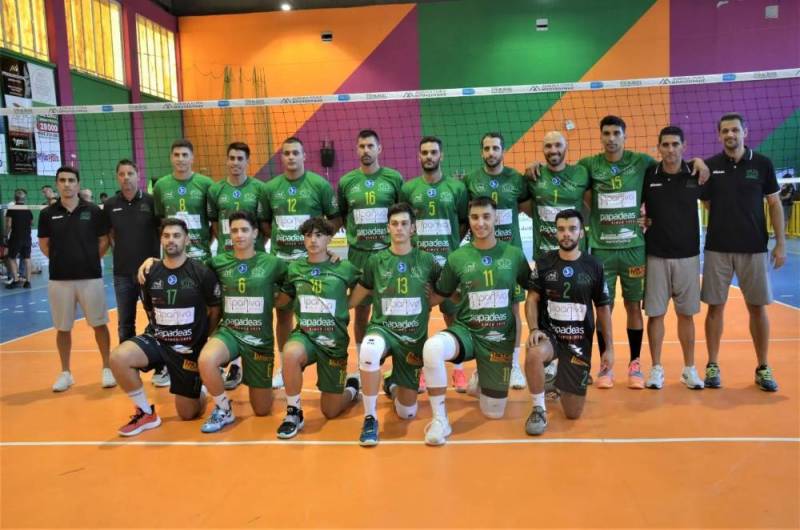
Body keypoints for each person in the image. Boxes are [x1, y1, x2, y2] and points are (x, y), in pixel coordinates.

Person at [421, 196, 534, 446]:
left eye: (486, 217)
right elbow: (441, 293)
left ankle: (481, 377)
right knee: (432, 348)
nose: (480, 223)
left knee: (494, 413)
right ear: (469, 220)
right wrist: (414, 293)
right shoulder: (457, 257)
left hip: (499, 341)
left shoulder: (514, 255)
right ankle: (440, 420)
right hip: (467, 332)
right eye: (474, 217)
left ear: (496, 218)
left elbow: (534, 289)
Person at [110, 218, 221, 436]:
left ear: (186, 240)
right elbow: (150, 310)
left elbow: (215, 310)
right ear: (161, 239)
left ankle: (199, 387)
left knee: (188, 413)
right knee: (118, 358)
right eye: (167, 236)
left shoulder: (201, 272)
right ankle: (145, 413)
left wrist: (202, 339)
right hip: (159, 339)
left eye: (177, 236)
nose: (171, 240)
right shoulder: (150, 272)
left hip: (188, 348)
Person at [701, 113, 785, 392]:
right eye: (725, 130)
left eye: (735, 130)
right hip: (718, 248)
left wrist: (780, 244)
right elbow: (707, 202)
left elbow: (774, 203)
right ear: (719, 135)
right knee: (715, 307)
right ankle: (712, 365)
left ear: (745, 132)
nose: (730, 135)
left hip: (754, 248)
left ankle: (763, 367)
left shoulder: (762, 163)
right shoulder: (711, 166)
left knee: (757, 308)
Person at [349, 203, 442, 446]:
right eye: (394, 224)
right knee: (368, 350)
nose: (399, 228)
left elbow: (448, 289)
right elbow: (360, 292)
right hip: (383, 329)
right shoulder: (376, 260)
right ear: (388, 228)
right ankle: (370, 418)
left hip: (413, 338)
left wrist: (432, 299)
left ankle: (392, 385)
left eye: (404, 224)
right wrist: (337, 308)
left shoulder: (427, 260)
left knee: (406, 412)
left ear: (413, 228)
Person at [261, 137, 341, 390]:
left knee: (316, 314)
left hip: (312, 265)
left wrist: (322, 245)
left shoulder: (320, 185)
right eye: (286, 153)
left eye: (296, 152)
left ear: (304, 156)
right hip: (282, 263)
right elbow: (265, 223)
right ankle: (285, 368)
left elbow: (335, 218)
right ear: (281, 157)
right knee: (283, 315)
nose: (291, 157)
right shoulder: (270, 188)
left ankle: (324, 363)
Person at [524, 209, 613, 435]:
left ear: (581, 233)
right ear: (555, 233)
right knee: (533, 353)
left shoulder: (594, 265)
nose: (566, 234)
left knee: (573, 412)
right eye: (561, 229)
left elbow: (603, 309)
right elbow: (532, 299)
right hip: (550, 336)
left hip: (578, 341)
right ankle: (538, 409)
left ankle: (555, 378)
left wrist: (609, 349)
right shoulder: (544, 262)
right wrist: (533, 329)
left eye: (572, 229)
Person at [274, 216, 361, 439]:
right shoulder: (294, 268)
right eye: (308, 235)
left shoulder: (344, 267)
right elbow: (284, 297)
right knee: (290, 353)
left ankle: (352, 388)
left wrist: (348, 303)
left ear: (329, 238)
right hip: (306, 336)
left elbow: (366, 285)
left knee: (331, 411)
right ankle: (293, 413)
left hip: (334, 342)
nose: (313, 240)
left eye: (319, 235)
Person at [464, 132, 532, 390]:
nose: (491, 152)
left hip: (509, 258)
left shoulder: (517, 179)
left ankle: (513, 365)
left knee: (513, 311)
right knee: (480, 313)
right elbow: (466, 218)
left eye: (495, 148)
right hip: (480, 257)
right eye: (487, 148)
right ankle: (481, 366)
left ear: (503, 151)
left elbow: (532, 210)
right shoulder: (471, 180)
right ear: (481, 152)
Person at [400, 136, 469, 391]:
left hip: (448, 264)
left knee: (453, 315)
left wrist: (450, 247)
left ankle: (458, 370)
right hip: (419, 266)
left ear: (441, 155)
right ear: (419, 156)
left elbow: (463, 222)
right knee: (417, 318)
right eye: (425, 152)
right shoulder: (409, 189)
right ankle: (418, 369)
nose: (429, 156)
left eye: (433, 152)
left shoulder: (456, 188)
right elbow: (405, 223)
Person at [38, 166, 115, 392]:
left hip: (90, 277)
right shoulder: (47, 213)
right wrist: (62, 260)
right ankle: (66, 373)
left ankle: (107, 368)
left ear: (78, 184)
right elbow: (44, 245)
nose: (67, 184)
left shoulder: (93, 210)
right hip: (59, 279)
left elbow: (104, 240)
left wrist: (89, 259)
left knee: (99, 324)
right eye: (62, 180)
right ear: (57, 184)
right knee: (62, 328)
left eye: (71, 180)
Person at [641, 127, 705, 390]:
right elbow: (635, 207)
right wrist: (640, 220)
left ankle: (689, 369)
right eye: (665, 145)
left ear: (684, 146)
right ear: (658, 147)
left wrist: (700, 162)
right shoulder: (649, 175)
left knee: (686, 315)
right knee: (655, 315)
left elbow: (715, 199)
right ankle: (656, 369)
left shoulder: (697, 173)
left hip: (688, 256)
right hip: (656, 255)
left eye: (675, 144)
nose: (670, 149)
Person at [337, 129, 403, 366]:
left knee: (393, 312)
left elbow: (402, 215)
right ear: (356, 150)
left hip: (388, 256)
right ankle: (363, 363)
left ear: (379, 149)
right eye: (362, 146)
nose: (366, 150)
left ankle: (396, 364)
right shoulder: (346, 182)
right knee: (361, 313)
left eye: (370, 146)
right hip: (358, 257)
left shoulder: (394, 178)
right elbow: (343, 215)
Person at [207, 141, 268, 390]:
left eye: (240, 158)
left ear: (247, 161)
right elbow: (214, 224)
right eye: (231, 158)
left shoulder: (259, 189)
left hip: (254, 263)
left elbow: (264, 225)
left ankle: (242, 364)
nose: (235, 162)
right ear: (226, 160)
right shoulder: (215, 190)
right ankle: (224, 359)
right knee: (223, 311)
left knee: (250, 314)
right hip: (226, 263)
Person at [103, 160, 166, 386]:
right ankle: (127, 366)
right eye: (122, 174)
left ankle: (161, 367)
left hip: (150, 273)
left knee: (157, 321)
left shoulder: (151, 202)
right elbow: (110, 234)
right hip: (122, 274)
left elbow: (162, 231)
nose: (126, 177)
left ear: (138, 175)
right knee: (125, 323)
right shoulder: (110, 205)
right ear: (117, 177)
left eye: (130, 173)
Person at [529, 132, 590, 258]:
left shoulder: (582, 173)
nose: (553, 150)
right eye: (548, 146)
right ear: (542, 149)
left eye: (558, 145)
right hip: (544, 254)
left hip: (576, 253)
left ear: (566, 146)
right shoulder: (533, 175)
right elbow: (527, 209)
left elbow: (594, 202)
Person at [152, 139, 214, 262]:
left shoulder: (207, 184)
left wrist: (205, 243)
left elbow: (215, 223)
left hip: (200, 256)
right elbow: (161, 221)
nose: (180, 159)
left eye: (185, 155)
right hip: (172, 258)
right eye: (176, 155)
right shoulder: (160, 185)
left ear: (192, 158)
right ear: (171, 158)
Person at [4, 188, 33, 289]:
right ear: (24, 199)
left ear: (15, 198)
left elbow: (8, 225)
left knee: (11, 258)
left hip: (16, 237)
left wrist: (5, 235)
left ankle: (16, 280)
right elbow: (31, 223)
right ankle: (28, 282)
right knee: (27, 258)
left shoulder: (11, 209)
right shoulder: (28, 209)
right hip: (27, 237)